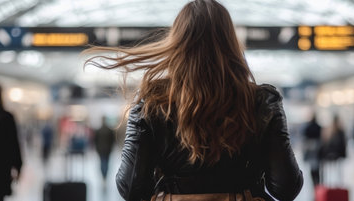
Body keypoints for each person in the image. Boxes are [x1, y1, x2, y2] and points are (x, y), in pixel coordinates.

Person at [84, 0, 303, 200]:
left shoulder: (152, 102)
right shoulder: (262, 101)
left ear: (178, 44)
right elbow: (286, 188)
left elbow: (131, 188)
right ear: (230, 43)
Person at [302, 113, 322, 186]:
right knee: (317, 170)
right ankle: (317, 185)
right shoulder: (318, 127)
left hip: (311, 151)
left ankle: (315, 184)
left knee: (313, 170)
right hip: (317, 151)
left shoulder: (308, 128)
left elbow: (305, 139)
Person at [94, 116, 115, 183]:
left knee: (102, 162)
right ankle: (105, 176)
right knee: (106, 163)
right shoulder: (110, 130)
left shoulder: (98, 130)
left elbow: (95, 141)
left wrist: (97, 148)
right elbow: (113, 141)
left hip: (101, 150)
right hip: (107, 150)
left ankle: (103, 176)